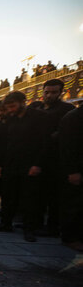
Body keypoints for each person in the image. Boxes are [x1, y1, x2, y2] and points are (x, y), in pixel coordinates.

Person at [0, 91, 50, 242]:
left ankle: (29, 228)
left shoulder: (39, 117)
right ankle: (6, 223)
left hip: (30, 164)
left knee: (30, 198)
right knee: (8, 195)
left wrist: (38, 164)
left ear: (23, 102)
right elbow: (4, 144)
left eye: (13, 106)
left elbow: (45, 144)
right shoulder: (10, 120)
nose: (11, 110)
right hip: (11, 164)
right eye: (8, 107)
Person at [29, 79, 76, 237]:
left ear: (60, 92)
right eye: (46, 92)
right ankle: (35, 223)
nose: (49, 95)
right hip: (36, 156)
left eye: (53, 92)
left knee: (54, 196)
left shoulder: (67, 110)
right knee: (37, 194)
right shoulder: (36, 108)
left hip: (56, 160)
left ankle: (53, 226)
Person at [58, 104, 83, 251]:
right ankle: (71, 238)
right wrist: (72, 170)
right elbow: (67, 147)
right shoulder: (73, 117)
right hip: (75, 169)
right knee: (75, 204)